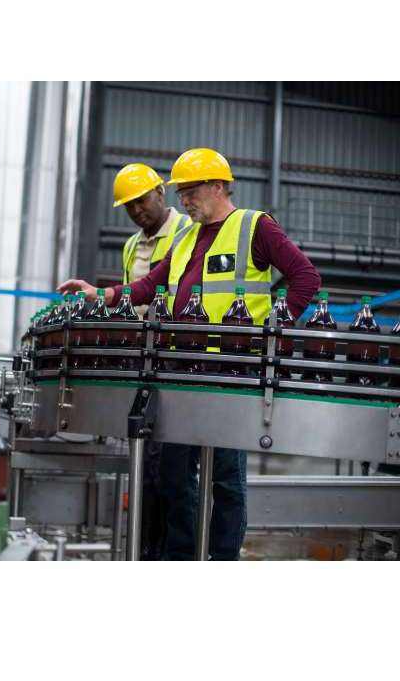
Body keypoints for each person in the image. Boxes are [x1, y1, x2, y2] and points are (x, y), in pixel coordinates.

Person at [59, 147, 321, 560]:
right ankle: (181, 560)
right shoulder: (185, 238)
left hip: (230, 374)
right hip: (181, 373)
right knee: (174, 475)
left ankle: (222, 558)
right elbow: (148, 287)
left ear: (217, 186)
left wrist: (274, 326)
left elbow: (305, 277)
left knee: (226, 479)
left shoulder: (254, 227)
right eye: (180, 193)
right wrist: (101, 294)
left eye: (190, 191)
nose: (183, 200)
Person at [112, 163, 191, 559]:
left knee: (172, 469)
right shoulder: (130, 246)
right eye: (129, 206)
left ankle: (173, 555)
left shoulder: (187, 231)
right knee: (144, 463)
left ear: (161, 192)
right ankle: (145, 552)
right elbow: (134, 296)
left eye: (141, 201)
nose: (137, 211)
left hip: (177, 358)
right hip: (143, 360)